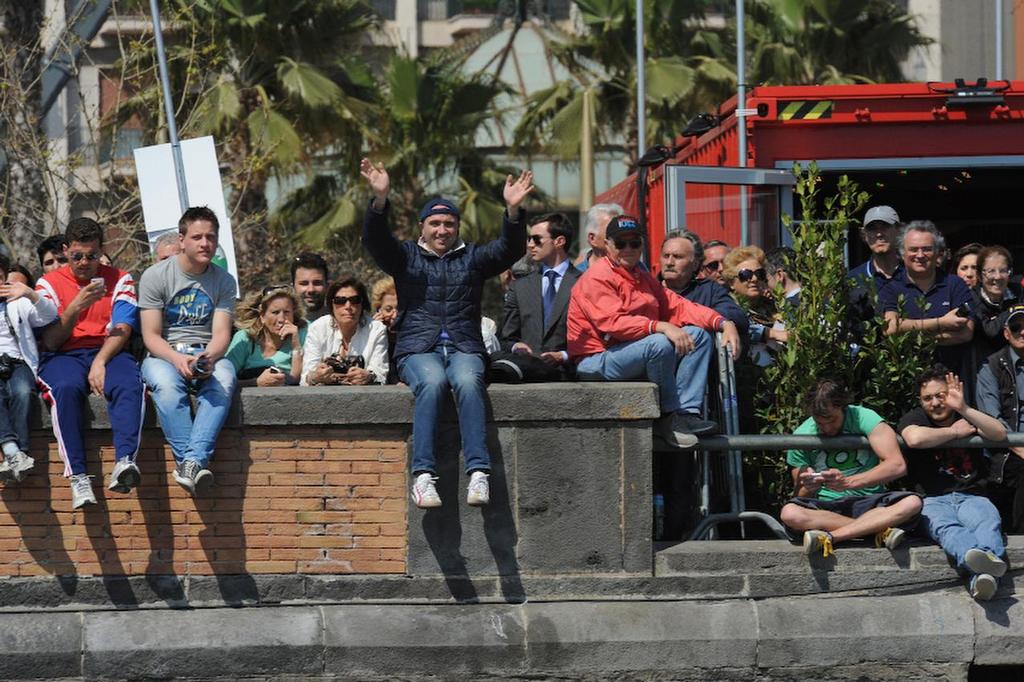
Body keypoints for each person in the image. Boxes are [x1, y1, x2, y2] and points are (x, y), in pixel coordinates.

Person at [360, 158, 533, 509]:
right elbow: (375, 240)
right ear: (422, 226)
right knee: (434, 382)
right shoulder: (405, 257)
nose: (442, 230)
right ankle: (423, 476)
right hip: (417, 348)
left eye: (449, 224)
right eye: (435, 223)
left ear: (457, 227)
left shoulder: (472, 258)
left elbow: (509, 250)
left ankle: (479, 472)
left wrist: (513, 213)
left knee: (468, 382)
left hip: (463, 345)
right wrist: (379, 201)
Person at [568, 215, 741, 448]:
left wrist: (723, 322)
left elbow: (678, 305)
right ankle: (668, 417)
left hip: (626, 352)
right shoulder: (597, 276)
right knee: (658, 343)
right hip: (595, 359)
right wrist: (660, 326)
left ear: (642, 245)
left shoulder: (642, 277)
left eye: (635, 243)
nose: (628, 248)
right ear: (607, 245)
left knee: (698, 336)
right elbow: (612, 322)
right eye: (621, 243)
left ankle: (687, 414)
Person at [35, 217, 145, 508]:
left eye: (92, 256)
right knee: (66, 388)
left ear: (101, 251)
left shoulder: (120, 278)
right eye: (77, 256)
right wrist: (75, 307)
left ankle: (125, 462)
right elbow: (51, 341)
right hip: (63, 355)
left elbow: (123, 328)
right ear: (65, 250)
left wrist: (100, 361)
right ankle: (79, 477)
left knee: (129, 382)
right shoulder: (48, 284)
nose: (85, 262)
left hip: (107, 350)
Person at [138, 207, 238, 497]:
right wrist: (177, 358)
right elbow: (151, 336)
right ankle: (191, 462)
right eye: (197, 237)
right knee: (167, 387)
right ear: (182, 240)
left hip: (207, 352)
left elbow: (221, 334)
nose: (205, 243)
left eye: (210, 237)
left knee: (225, 380)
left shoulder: (223, 280)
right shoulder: (155, 276)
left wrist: (208, 357)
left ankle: (190, 463)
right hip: (164, 354)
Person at [898, 366, 1008, 600]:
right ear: (921, 400)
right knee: (947, 529)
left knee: (987, 523)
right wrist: (955, 433)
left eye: (941, 395)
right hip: (932, 499)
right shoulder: (916, 417)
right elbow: (914, 438)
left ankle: (981, 577)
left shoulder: (965, 414)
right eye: (928, 398)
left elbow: (998, 433)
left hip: (973, 495)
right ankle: (984, 567)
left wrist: (963, 408)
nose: (935, 403)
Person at [779, 379, 922, 559]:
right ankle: (875, 530)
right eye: (819, 423)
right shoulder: (801, 434)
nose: (827, 428)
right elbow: (799, 495)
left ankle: (834, 536)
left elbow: (897, 465)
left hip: (870, 501)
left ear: (843, 407)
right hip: (827, 507)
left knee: (912, 503)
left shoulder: (864, 417)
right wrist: (808, 487)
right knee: (790, 513)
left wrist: (847, 483)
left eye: (831, 419)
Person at [491, 212, 580, 382]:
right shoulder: (520, 286)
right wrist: (516, 346)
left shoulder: (585, 283)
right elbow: (506, 339)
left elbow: (594, 338)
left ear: (559, 241)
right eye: (529, 239)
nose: (530, 244)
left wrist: (563, 355)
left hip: (570, 376)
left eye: (537, 239)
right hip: (527, 375)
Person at [879, 220, 974, 375]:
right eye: (914, 249)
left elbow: (965, 334)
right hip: (905, 380)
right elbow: (890, 328)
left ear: (937, 252)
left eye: (927, 249)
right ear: (902, 253)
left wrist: (909, 333)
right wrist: (942, 322)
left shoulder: (955, 285)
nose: (920, 255)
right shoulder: (891, 288)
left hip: (950, 380)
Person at [0, 254, 58, 482]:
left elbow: (50, 315)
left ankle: (17, 455)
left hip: (17, 360)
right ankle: (14, 451)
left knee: (23, 392)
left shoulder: (17, 302)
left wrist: (30, 293)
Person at [976, 305, 1024, 533]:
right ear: (1006, 333)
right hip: (1007, 450)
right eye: (1016, 327)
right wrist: (1018, 445)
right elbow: (991, 418)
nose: (1022, 332)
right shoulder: (992, 367)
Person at [659, 230, 748, 340]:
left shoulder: (709, 290)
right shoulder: (648, 290)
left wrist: (703, 317)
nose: (669, 262)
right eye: (666, 256)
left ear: (695, 264)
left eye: (678, 257)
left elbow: (737, 316)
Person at [301, 277, 388, 386]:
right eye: (340, 301)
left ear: (362, 304)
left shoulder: (376, 330)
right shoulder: (317, 328)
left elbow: (381, 375)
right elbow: (305, 379)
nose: (348, 306)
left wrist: (368, 377)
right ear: (331, 305)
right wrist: (316, 377)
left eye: (354, 300)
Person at [226, 286, 307, 386]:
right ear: (262, 316)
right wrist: (256, 382)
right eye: (275, 312)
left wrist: (296, 346)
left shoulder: (302, 334)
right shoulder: (245, 338)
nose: (281, 319)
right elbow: (225, 379)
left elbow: (295, 380)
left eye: (286, 312)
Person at [723, 245, 787, 366]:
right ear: (731, 282)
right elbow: (740, 327)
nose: (754, 279)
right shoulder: (726, 306)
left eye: (759, 273)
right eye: (746, 274)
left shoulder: (774, 305)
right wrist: (774, 334)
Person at [971, 245, 1019, 362]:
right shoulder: (972, 297)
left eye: (1003, 271)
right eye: (990, 271)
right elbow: (990, 331)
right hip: (984, 363)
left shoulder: (1019, 292)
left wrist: (998, 319)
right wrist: (1013, 310)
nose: (997, 277)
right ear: (979, 276)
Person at [847, 205, 903, 288]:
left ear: (898, 230)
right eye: (872, 228)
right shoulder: (853, 280)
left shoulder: (916, 274)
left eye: (885, 226)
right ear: (864, 235)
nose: (879, 234)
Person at [574, 203, 621, 273]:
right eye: (612, 230)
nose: (620, 235)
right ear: (592, 238)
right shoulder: (577, 275)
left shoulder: (636, 269)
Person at [371, 276, 399, 384]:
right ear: (379, 309)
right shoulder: (371, 334)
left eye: (399, 309)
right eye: (388, 309)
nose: (394, 315)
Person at [291, 252, 330, 322]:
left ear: (327, 286)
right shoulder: (282, 324)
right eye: (304, 283)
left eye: (317, 283)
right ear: (293, 287)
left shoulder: (339, 324)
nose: (311, 290)